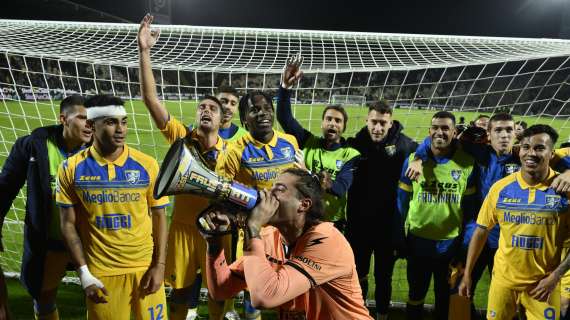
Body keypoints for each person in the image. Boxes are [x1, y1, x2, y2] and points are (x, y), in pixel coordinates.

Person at [137, 14, 235, 320]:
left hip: (217, 230)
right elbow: (150, 100)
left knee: (219, 290)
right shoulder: (182, 137)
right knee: (179, 292)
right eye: (202, 107)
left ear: (223, 120)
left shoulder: (232, 151)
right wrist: (144, 52)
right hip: (182, 229)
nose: (206, 110)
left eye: (213, 109)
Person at [201, 168, 373, 320]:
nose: (268, 193)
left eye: (280, 189)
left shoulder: (327, 241)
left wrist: (252, 227)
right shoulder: (267, 238)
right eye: (271, 187)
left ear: (303, 205)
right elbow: (221, 290)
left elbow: (264, 297)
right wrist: (214, 242)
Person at [56, 94, 170, 319]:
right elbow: (67, 225)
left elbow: (160, 217)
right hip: (101, 273)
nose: (121, 129)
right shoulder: (71, 168)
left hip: (144, 268)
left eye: (124, 121)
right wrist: (84, 273)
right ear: (91, 125)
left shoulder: (147, 165)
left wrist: (160, 265)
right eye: (111, 122)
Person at [459, 124, 570, 320]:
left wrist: (555, 277)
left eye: (539, 148)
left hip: (543, 285)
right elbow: (481, 230)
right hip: (504, 282)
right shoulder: (500, 188)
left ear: (552, 153)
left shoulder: (564, 190)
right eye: (526, 147)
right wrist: (467, 273)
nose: (531, 153)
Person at [0, 95, 91, 320]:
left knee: (101, 294)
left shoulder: (102, 149)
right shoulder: (33, 146)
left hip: (92, 242)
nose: (89, 124)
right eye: (82, 118)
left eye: (92, 119)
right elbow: (5, 187)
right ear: (64, 119)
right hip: (52, 242)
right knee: (44, 296)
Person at [218, 88, 300, 319]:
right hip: (255, 234)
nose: (263, 114)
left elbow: (299, 184)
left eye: (267, 109)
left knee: (292, 293)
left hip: (289, 233)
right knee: (254, 295)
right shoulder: (235, 150)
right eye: (255, 110)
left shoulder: (289, 143)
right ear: (244, 120)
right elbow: (222, 193)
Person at [397, 111, 478, 320]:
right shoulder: (413, 162)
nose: (439, 132)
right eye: (435, 128)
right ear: (429, 131)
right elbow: (401, 203)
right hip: (418, 241)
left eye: (445, 128)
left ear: (454, 132)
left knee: (444, 297)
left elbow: (470, 211)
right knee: (416, 293)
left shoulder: (467, 164)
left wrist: (464, 244)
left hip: (449, 245)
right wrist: (400, 236)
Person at [344, 100, 416, 319]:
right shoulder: (355, 145)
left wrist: (420, 159)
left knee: (384, 276)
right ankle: (360, 313)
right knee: (359, 275)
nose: (378, 128)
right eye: (374, 122)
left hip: (388, 227)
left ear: (390, 122)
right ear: (366, 120)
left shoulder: (403, 144)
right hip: (359, 225)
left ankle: (382, 315)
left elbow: (424, 148)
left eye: (383, 123)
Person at [276, 54, 360, 231]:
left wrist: (307, 172)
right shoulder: (308, 141)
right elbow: (284, 117)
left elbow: (339, 189)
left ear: (343, 127)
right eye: (328, 119)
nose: (332, 123)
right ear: (322, 123)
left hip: (332, 223)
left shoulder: (350, 154)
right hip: (303, 217)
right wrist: (285, 87)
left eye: (338, 121)